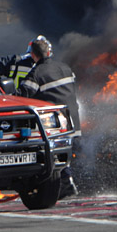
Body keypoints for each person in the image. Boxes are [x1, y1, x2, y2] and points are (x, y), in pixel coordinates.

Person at [17, 37, 80, 195]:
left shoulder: (37, 73)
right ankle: (71, 182)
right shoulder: (65, 67)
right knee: (67, 151)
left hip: (56, 123)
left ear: (33, 55)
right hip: (74, 119)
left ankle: (66, 184)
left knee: (53, 152)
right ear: (49, 52)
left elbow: (22, 96)